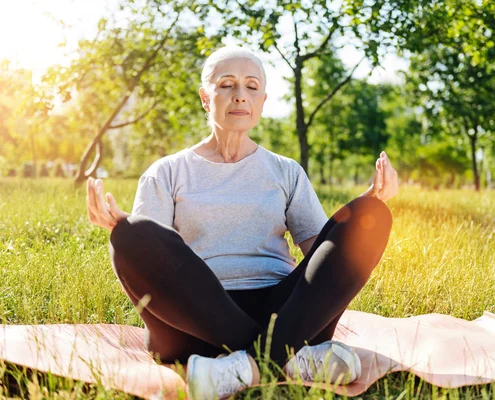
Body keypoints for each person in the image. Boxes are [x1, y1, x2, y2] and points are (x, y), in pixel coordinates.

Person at [86, 46, 399, 400]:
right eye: (226, 85)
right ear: (206, 98)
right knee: (132, 233)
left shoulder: (285, 171)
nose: (240, 96)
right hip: (194, 321)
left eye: (251, 87)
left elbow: (322, 259)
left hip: (286, 316)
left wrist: (367, 207)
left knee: (369, 215)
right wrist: (121, 229)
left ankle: (246, 367)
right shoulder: (167, 172)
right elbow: (155, 260)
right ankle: (286, 359)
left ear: (262, 102)